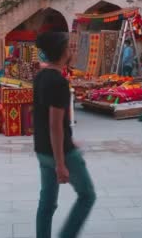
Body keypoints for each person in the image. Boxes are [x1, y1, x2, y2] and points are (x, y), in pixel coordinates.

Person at [33, 32, 96, 238]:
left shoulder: (40, 77)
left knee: (47, 203)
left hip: (42, 149)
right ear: (62, 52)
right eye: (69, 48)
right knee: (87, 196)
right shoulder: (58, 82)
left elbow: (42, 118)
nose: (71, 52)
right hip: (60, 153)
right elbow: (55, 125)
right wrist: (61, 163)